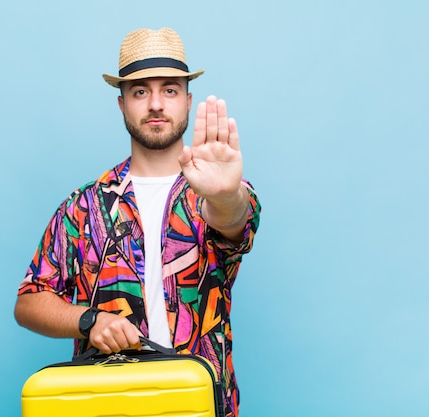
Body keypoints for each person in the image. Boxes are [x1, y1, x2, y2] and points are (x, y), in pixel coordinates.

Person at [14, 27, 261, 417]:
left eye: (170, 90)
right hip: (107, 403)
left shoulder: (217, 192)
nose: (156, 104)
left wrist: (226, 195)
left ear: (188, 100)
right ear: (122, 104)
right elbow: (29, 301)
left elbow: (234, 224)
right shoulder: (85, 206)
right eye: (141, 91)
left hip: (199, 401)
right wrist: (88, 320)